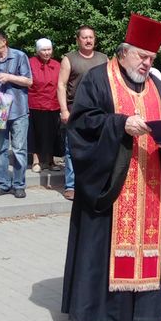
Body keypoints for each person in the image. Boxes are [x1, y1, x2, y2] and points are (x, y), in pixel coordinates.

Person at [61, 14, 161, 321]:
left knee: (146, 247)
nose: (147, 64)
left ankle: (142, 315)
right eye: (143, 57)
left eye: (152, 59)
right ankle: (95, 318)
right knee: (100, 248)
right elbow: (82, 123)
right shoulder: (98, 79)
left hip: (149, 182)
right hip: (110, 182)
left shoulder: (156, 86)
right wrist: (119, 125)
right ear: (124, 51)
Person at [57, 26, 108, 201]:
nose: (88, 41)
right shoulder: (69, 59)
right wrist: (64, 110)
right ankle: (71, 185)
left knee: (97, 149)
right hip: (75, 110)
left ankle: (92, 184)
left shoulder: (103, 59)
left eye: (91, 37)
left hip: (99, 112)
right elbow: (61, 85)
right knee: (72, 149)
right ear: (78, 40)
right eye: (84, 37)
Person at [0, 30, 33, 199]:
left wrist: (9, 77)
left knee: (19, 149)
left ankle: (19, 184)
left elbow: (29, 81)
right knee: (0, 149)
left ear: (3, 41)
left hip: (18, 108)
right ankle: (2, 184)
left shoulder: (20, 56)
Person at [28, 38, 62, 172]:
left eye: (49, 49)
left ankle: (51, 161)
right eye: (43, 50)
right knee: (35, 133)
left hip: (53, 103)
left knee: (53, 133)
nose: (47, 53)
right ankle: (36, 161)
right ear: (38, 51)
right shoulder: (30, 63)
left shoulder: (57, 64)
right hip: (35, 103)